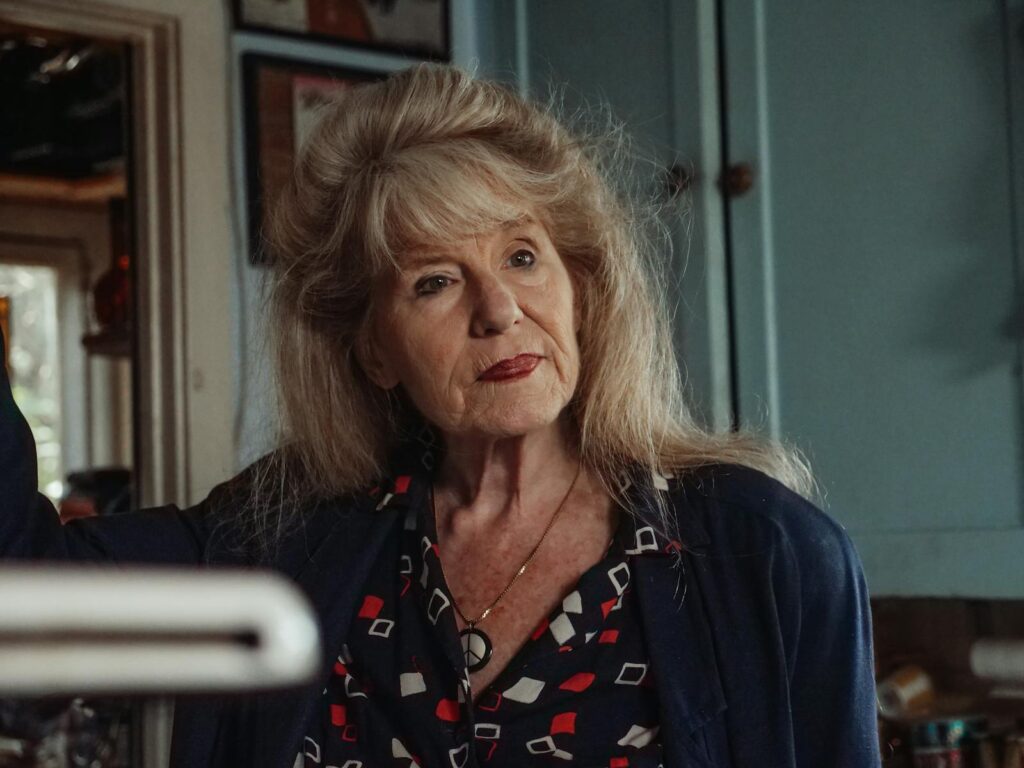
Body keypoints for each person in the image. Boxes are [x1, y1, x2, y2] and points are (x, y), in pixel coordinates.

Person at [0, 62, 881, 767]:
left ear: (582, 288)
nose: (499, 309)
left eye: (523, 255)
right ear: (373, 349)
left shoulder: (763, 551)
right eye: (433, 280)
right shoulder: (284, 535)